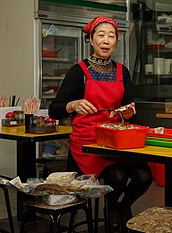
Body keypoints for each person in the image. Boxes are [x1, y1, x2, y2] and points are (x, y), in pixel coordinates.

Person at [48, 16, 153, 232]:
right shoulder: (79, 71)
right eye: (101, 35)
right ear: (91, 39)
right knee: (118, 176)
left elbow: (130, 108)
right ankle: (114, 217)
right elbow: (54, 109)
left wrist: (128, 112)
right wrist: (73, 105)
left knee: (145, 176)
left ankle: (119, 208)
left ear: (116, 41)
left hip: (115, 141)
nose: (106, 40)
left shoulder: (122, 71)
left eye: (111, 36)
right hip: (88, 143)